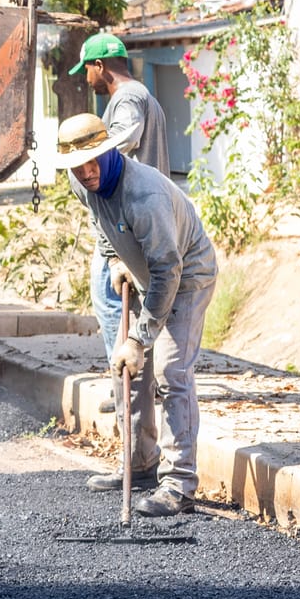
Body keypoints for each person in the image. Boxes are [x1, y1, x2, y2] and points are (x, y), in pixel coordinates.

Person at [53, 113, 215, 517]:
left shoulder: (146, 196)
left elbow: (168, 271)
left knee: (170, 370)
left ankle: (179, 484)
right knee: (124, 368)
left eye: (94, 161)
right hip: (145, 273)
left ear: (109, 151)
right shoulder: (80, 181)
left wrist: (140, 338)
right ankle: (140, 463)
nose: (87, 172)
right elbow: (100, 221)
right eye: (78, 166)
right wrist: (114, 259)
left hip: (186, 277)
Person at [69, 33, 171, 374]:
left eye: (87, 69)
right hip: (143, 216)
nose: (86, 78)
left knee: (110, 299)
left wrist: (91, 157)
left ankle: (123, 378)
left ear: (100, 66)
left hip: (126, 216)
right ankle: (142, 379)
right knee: (137, 303)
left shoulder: (126, 99)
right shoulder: (143, 95)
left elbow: (122, 139)